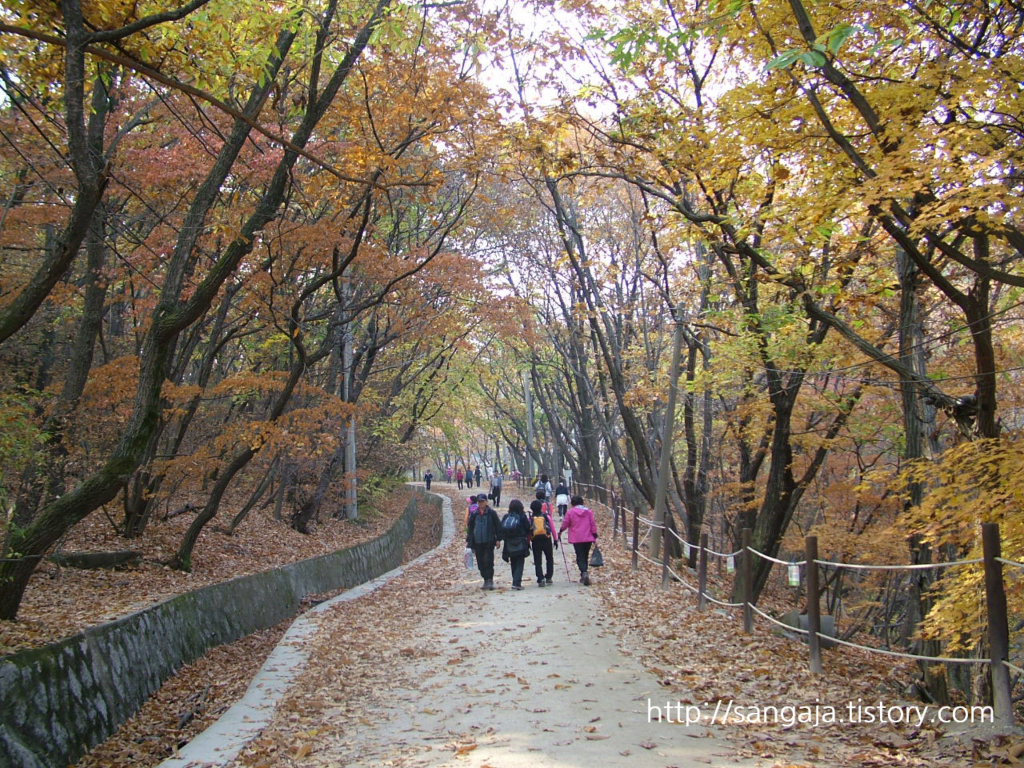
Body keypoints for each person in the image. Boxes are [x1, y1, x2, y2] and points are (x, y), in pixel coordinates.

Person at [558, 495, 598, 586]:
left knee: (580, 555)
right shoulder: (588, 511)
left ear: (572, 503)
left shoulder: (570, 512)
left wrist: (560, 531)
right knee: (585, 555)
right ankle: (584, 573)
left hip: (577, 537)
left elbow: (566, 523)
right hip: (588, 537)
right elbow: (593, 523)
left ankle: (584, 572)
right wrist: (594, 534)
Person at [467, 494, 501, 590]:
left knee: (488, 561)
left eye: (482, 501)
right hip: (477, 542)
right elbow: (470, 529)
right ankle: (485, 579)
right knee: (480, 562)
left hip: (489, 541)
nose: (481, 503)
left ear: (486, 502)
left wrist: (498, 539)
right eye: (479, 502)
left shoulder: (492, 513)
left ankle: (489, 580)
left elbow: (498, 526)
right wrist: (469, 542)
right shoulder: (474, 514)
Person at [500, 499, 531, 590]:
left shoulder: (506, 516)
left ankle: (515, 580)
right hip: (520, 541)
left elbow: (501, 528)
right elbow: (527, 528)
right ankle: (517, 582)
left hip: (509, 543)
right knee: (520, 563)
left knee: (513, 562)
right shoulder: (522, 516)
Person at [530, 492, 557, 586]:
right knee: (549, 558)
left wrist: (528, 541)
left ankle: (540, 578)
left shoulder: (531, 518)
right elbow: (552, 528)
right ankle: (549, 577)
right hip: (547, 539)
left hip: (535, 541)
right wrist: (556, 539)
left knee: (537, 560)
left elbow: (529, 531)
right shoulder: (546, 516)